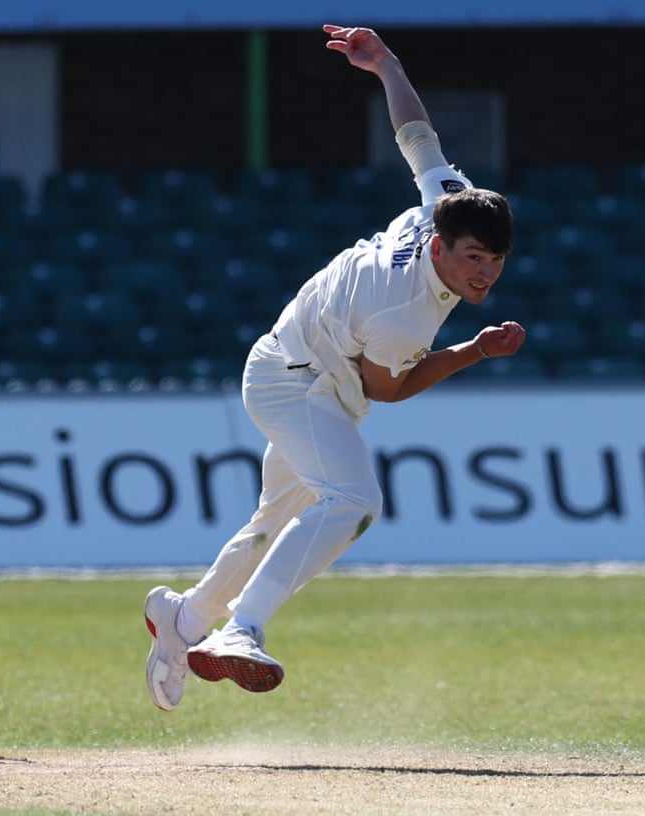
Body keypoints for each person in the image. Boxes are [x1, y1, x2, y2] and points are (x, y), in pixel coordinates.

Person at [143, 23, 526, 710]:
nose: (485, 276)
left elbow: (418, 138)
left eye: (496, 262)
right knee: (354, 502)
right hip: (298, 385)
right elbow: (392, 388)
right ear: (440, 246)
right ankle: (241, 630)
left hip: (300, 369)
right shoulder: (401, 312)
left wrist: (387, 65)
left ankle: (184, 619)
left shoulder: (444, 201)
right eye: (473, 259)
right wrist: (472, 352)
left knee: (271, 523)